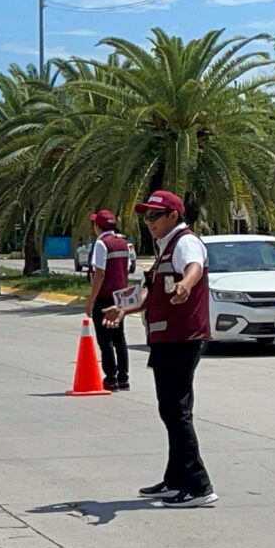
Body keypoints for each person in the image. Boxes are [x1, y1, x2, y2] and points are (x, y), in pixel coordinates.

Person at [102, 190, 218, 508]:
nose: (149, 221)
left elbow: (194, 267)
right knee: (169, 410)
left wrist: (186, 284)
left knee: (177, 412)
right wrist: (123, 310)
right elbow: (150, 294)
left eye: (155, 215)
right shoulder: (165, 248)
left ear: (173, 216)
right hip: (167, 339)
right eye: (146, 216)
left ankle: (199, 486)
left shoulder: (185, 243)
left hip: (183, 337)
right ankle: (175, 479)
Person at [84, 210, 131, 392]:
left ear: (98, 226)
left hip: (105, 298)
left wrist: (91, 300)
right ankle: (124, 378)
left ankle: (111, 378)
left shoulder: (102, 244)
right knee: (120, 338)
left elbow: (100, 273)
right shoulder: (123, 243)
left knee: (105, 341)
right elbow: (127, 269)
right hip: (121, 297)